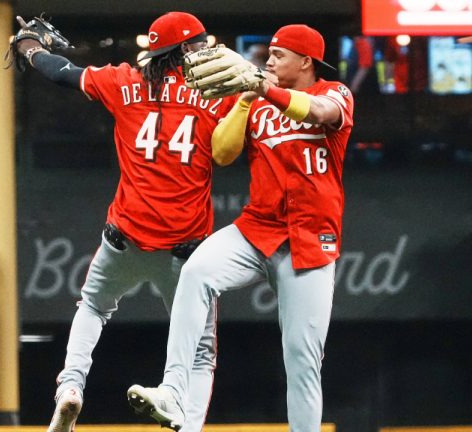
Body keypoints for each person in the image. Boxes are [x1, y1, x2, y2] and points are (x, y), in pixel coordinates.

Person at [13, 11, 237, 432]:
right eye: (199, 43)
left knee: (94, 307)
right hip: (185, 254)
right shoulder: (218, 94)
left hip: (124, 240)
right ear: (185, 49)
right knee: (202, 351)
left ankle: (72, 388)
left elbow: (61, 73)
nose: (206, 50)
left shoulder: (124, 81)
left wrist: (29, 47)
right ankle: (188, 426)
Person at [127, 24, 355, 432]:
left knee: (302, 360)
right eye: (268, 53)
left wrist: (264, 89)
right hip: (257, 229)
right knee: (195, 273)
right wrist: (247, 99)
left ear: (305, 61)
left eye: (279, 54)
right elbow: (221, 152)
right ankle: (173, 392)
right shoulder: (257, 100)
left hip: (310, 241)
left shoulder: (333, 92)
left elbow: (321, 114)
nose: (268, 60)